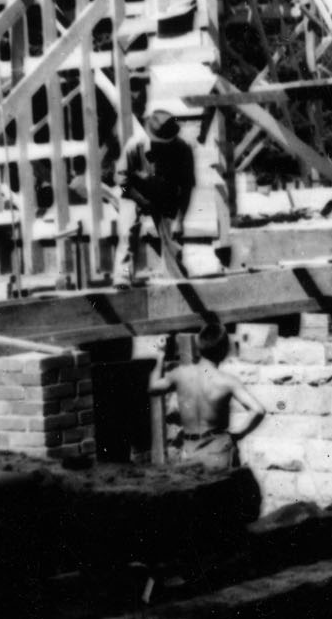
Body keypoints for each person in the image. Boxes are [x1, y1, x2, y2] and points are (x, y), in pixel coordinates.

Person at [148, 322, 265, 471]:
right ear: (224, 350)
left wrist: (160, 355)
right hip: (218, 450)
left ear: (199, 347)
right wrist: (237, 434)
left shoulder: (180, 374)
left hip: (189, 451)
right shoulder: (228, 381)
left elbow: (153, 387)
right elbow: (258, 410)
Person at [114, 108, 196, 289]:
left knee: (172, 235)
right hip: (134, 194)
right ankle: (123, 275)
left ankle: (176, 276)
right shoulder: (135, 146)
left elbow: (187, 188)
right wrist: (139, 200)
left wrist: (180, 220)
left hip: (164, 195)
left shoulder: (182, 149)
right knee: (128, 231)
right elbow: (121, 180)